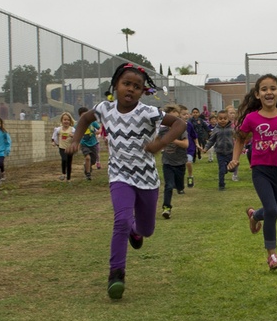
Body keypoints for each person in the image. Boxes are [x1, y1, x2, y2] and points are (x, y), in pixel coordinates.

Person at [67, 63, 187, 299]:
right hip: (119, 175)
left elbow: (180, 124)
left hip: (147, 178)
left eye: (137, 86)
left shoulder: (148, 112)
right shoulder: (104, 109)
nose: (130, 89)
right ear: (116, 86)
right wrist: (75, 140)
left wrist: (160, 144)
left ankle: (136, 231)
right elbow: (83, 120)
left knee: (146, 229)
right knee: (121, 220)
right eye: (126, 84)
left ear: (143, 91)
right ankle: (116, 274)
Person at [227, 74, 277, 271]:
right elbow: (240, 139)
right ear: (258, 94)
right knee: (272, 210)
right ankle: (272, 256)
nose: (269, 92)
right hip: (260, 170)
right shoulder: (252, 118)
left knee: (272, 211)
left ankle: (254, 215)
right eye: (264, 89)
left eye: (273, 88)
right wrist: (235, 159)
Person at [159, 105, 189, 218]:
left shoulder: (181, 130)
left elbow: (186, 144)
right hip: (167, 162)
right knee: (169, 186)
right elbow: (157, 141)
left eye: (176, 119)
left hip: (180, 162)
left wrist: (173, 140)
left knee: (179, 186)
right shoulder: (162, 131)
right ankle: (166, 208)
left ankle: (180, 187)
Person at [206, 109, 236, 190]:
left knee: (232, 168)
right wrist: (206, 148)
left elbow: (237, 137)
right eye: (220, 118)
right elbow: (211, 140)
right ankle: (221, 185)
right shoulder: (216, 129)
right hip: (220, 152)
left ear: (228, 119)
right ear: (217, 119)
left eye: (225, 118)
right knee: (221, 170)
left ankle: (228, 168)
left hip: (230, 151)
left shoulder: (231, 129)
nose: (223, 120)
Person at [76, 106, 102, 181]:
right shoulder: (79, 124)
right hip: (84, 143)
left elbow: (99, 128)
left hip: (93, 143)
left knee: (93, 161)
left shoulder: (92, 122)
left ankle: (87, 166)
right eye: (82, 115)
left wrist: (98, 131)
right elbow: (75, 131)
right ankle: (88, 174)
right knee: (87, 158)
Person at [51, 111, 77, 181]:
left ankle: (68, 178)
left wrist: (73, 136)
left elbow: (77, 138)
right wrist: (53, 142)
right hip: (62, 148)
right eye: (65, 120)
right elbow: (54, 136)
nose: (66, 121)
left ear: (70, 121)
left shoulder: (72, 129)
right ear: (62, 120)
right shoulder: (58, 129)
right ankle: (63, 173)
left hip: (70, 148)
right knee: (64, 159)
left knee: (69, 162)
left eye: (68, 120)